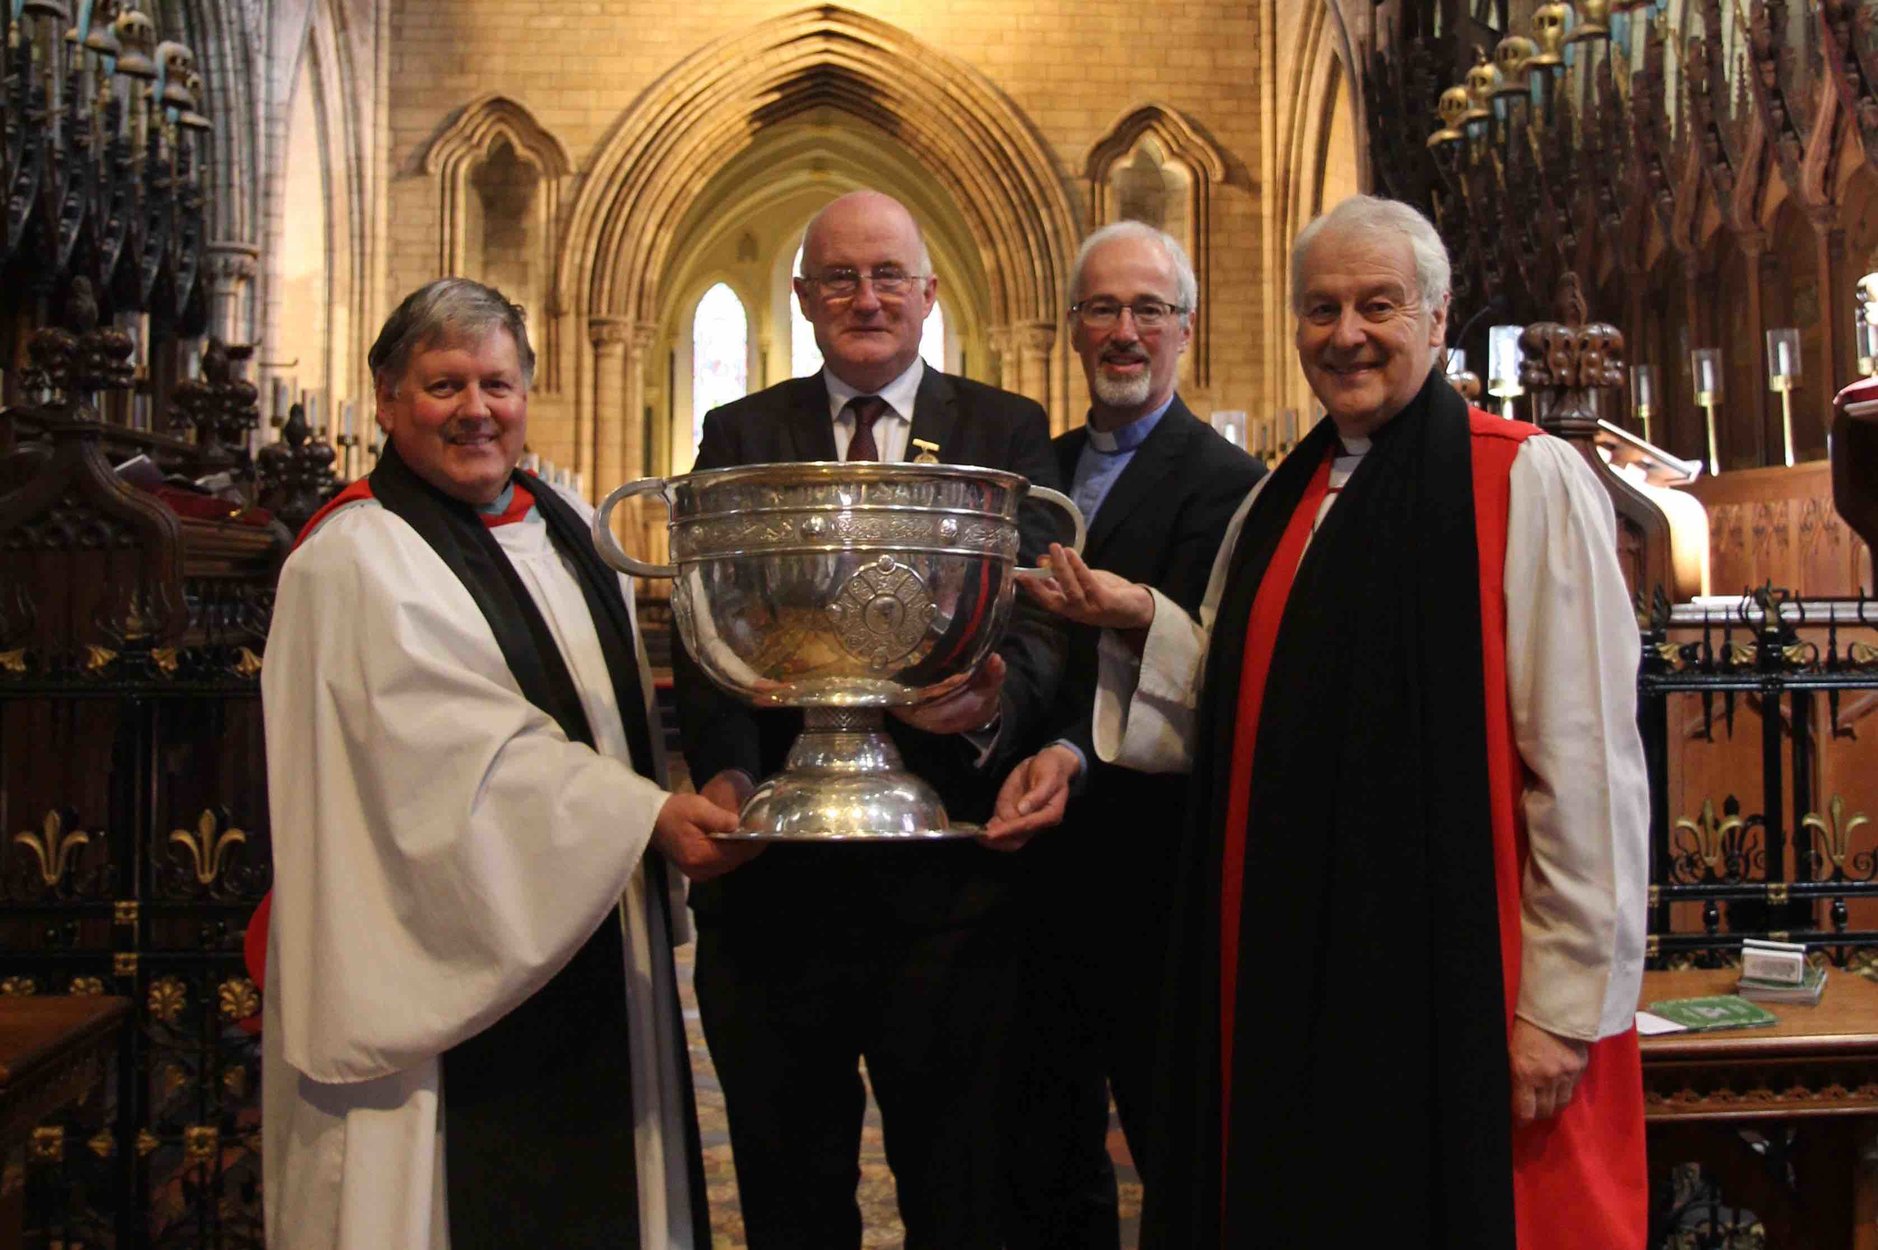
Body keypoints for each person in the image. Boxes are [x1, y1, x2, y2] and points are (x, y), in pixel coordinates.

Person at [1027, 195, 1649, 1249]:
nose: (1346, 334)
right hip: (1298, 966)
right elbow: (1231, 703)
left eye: (1378, 305)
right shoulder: (1279, 499)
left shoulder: (1520, 477)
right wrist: (1139, 617)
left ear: (1438, 315)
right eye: (1321, 309)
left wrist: (1561, 1001)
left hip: (1458, 972)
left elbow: (1585, 759)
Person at [259, 278, 752, 1250]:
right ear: (389, 398)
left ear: (529, 389)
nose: (477, 409)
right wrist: (642, 816)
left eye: (498, 381)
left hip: (586, 932)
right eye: (445, 385)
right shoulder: (354, 558)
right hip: (434, 979)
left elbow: (607, 721)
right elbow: (445, 756)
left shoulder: (563, 520)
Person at [675, 188, 1067, 1250]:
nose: (867, 296)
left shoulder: (1005, 428)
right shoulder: (742, 430)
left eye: (889, 274)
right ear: (803, 297)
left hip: (950, 889)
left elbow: (1040, 624)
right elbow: (707, 638)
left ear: (930, 294)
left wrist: (991, 709)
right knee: (790, 1189)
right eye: (840, 277)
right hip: (778, 888)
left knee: (960, 1186)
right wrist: (719, 777)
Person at [984, 221, 1262, 1248]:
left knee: (1172, 1138)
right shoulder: (1037, 468)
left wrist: (1130, 617)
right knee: (1041, 1145)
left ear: (1186, 328)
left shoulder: (1227, 481)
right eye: (1103, 308)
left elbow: (1217, 668)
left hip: (1152, 867)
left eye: (1149, 309)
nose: (1125, 330)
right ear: (1072, 329)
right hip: (1029, 865)